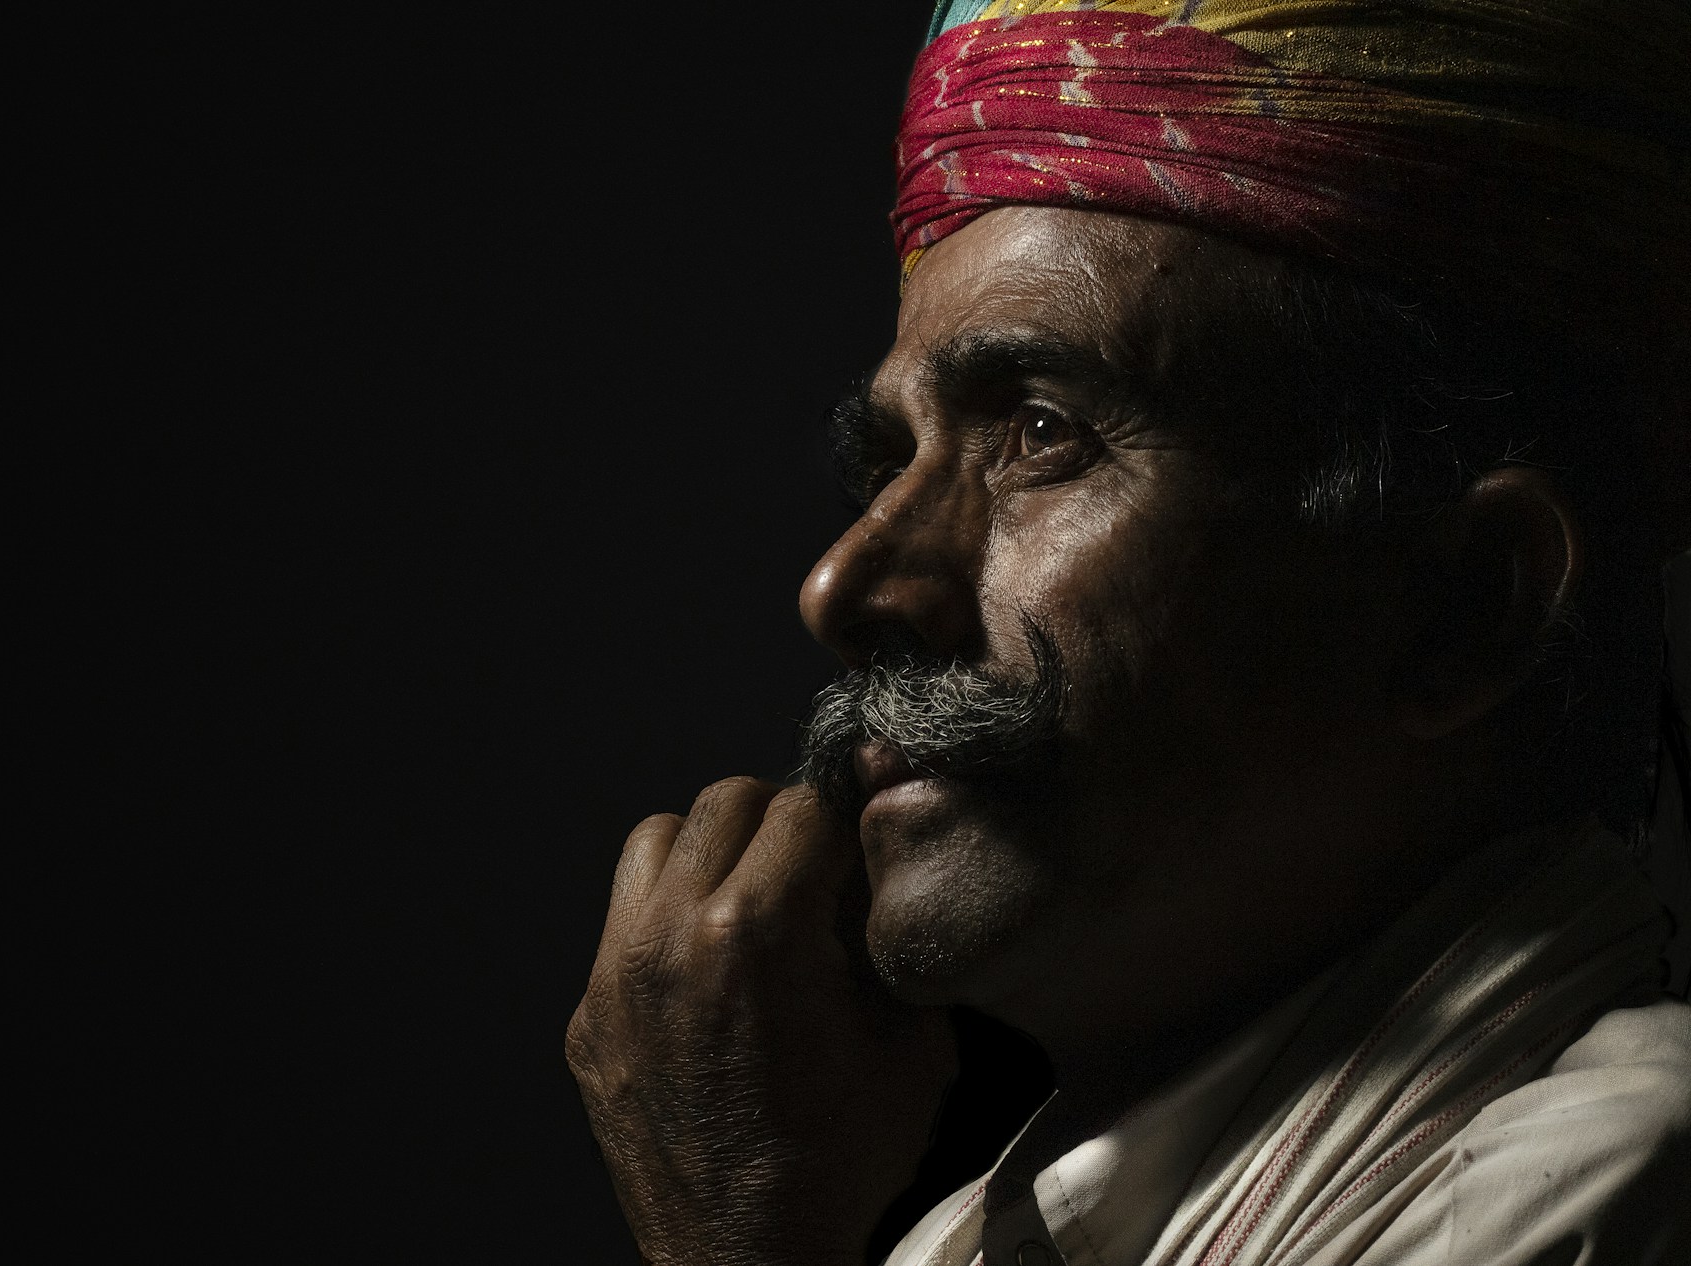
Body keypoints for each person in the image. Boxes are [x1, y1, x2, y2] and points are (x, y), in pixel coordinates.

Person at [566, 2, 1691, 1262]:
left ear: (1466, 605)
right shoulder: (985, 1235)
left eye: (1041, 433)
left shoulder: (1611, 1191)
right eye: (890, 463)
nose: (843, 586)